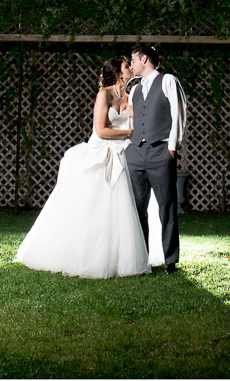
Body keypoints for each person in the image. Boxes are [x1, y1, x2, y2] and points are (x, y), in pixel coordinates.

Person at [16, 57, 154, 278]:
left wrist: (135, 121)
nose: (130, 68)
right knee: (95, 206)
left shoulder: (129, 98)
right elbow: (101, 131)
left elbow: (139, 126)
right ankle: (88, 254)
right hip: (100, 154)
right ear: (118, 73)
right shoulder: (104, 95)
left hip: (122, 154)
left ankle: (123, 258)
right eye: (126, 66)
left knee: (122, 210)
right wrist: (128, 134)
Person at [125, 45, 187, 275]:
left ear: (144, 59)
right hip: (136, 154)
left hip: (161, 151)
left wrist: (172, 147)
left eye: (133, 60)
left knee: (167, 207)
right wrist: (130, 148)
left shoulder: (168, 80)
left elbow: (178, 112)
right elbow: (132, 122)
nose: (131, 65)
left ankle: (170, 260)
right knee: (137, 208)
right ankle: (142, 259)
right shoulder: (135, 89)